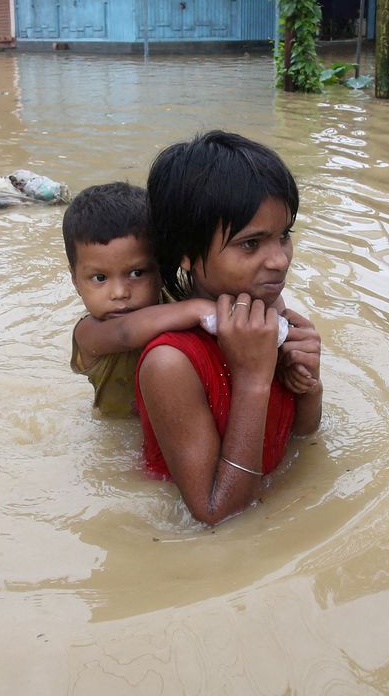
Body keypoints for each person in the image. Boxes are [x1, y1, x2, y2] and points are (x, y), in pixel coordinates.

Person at [137, 130, 323, 526]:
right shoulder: (171, 362)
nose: (279, 260)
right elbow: (217, 513)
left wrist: (309, 383)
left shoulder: (268, 309)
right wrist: (254, 378)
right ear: (186, 254)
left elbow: (299, 438)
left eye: (284, 236)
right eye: (251, 244)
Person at [64, 182, 217, 418]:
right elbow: (126, 333)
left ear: (162, 268)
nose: (119, 292)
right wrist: (198, 309)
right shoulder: (88, 333)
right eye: (100, 277)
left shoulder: (175, 300)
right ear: (75, 281)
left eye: (136, 273)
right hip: (117, 430)